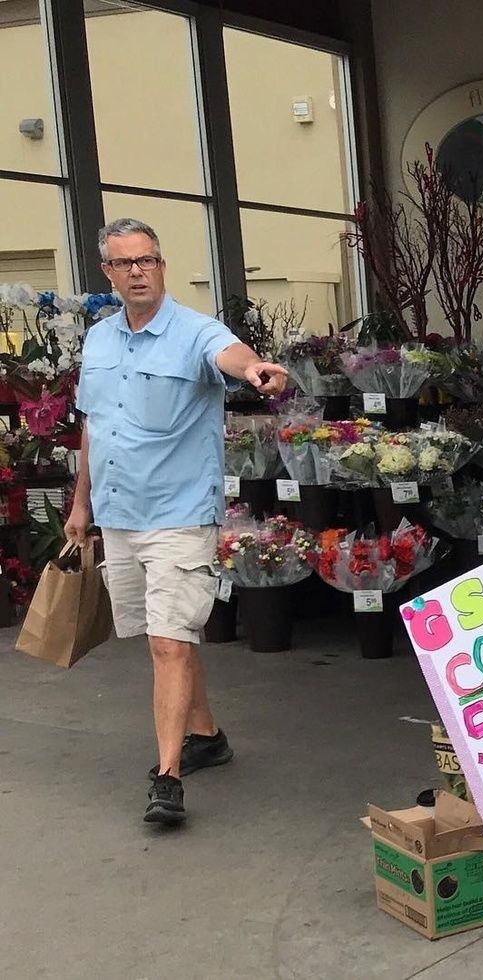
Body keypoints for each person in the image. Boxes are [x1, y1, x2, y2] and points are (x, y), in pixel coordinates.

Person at [65, 217, 288, 826]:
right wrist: (81, 505)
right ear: (108, 273)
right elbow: (94, 426)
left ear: (161, 265)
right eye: (125, 263)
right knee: (164, 637)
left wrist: (256, 370)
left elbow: (233, 355)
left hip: (179, 513)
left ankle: (167, 778)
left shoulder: (195, 331)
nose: (138, 271)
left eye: (148, 260)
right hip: (118, 513)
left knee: (168, 641)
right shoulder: (100, 340)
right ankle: (206, 735)